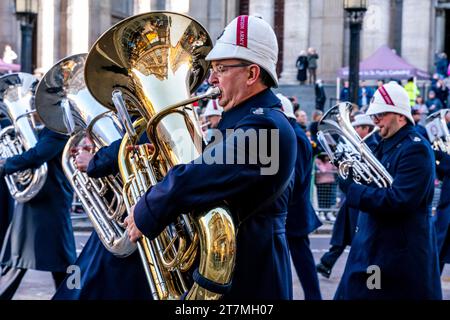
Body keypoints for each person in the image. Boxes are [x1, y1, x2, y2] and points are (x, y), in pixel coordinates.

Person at [125, 15, 297, 300]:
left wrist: (149, 208)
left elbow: (199, 176)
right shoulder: (240, 120)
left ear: (252, 74)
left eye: (221, 69)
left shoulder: (266, 126)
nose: (211, 78)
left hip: (252, 281)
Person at [334, 81, 442, 299]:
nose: (375, 120)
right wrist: (349, 172)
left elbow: (399, 200)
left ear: (400, 115)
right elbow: (371, 184)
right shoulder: (380, 144)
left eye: (381, 114)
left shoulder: (416, 148)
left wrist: (353, 190)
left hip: (397, 255)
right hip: (372, 246)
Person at [52, 138, 152, 300]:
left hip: (138, 223)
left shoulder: (146, 122)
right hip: (131, 221)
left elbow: (134, 142)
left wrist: (96, 160)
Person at [0, 123, 77, 300]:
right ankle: (74, 294)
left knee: (65, 260)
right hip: (36, 199)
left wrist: (6, 164)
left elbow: (38, 154)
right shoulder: (46, 128)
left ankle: (74, 294)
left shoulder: (58, 127)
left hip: (51, 201)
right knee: (17, 258)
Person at [316, 114, 377, 279]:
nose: (355, 130)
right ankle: (327, 263)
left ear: (366, 129)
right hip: (353, 197)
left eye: (357, 127)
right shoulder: (359, 145)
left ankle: (343, 267)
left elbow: (363, 176)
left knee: (359, 237)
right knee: (342, 233)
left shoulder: (372, 146)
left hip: (361, 198)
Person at [277, 93, 322, 300]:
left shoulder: (296, 136)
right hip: (291, 209)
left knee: (301, 259)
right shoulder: (291, 134)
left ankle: (314, 297)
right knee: (291, 258)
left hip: (293, 210)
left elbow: (297, 175)